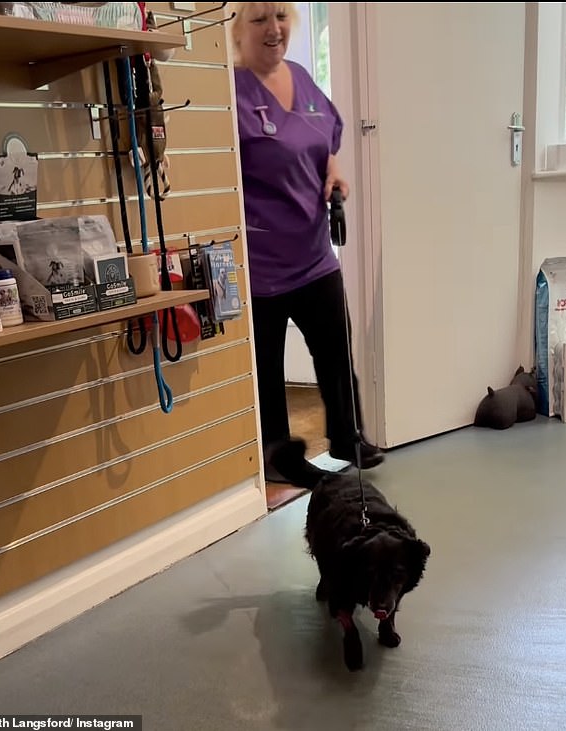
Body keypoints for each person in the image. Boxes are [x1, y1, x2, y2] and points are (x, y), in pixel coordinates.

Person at [229, 2, 384, 488]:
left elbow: (327, 142)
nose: (273, 29)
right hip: (262, 263)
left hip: (316, 254)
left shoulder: (301, 78)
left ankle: (346, 435)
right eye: (258, 20)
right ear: (237, 32)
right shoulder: (230, 93)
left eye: (279, 17)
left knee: (336, 351)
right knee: (268, 368)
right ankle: (277, 452)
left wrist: (334, 172)